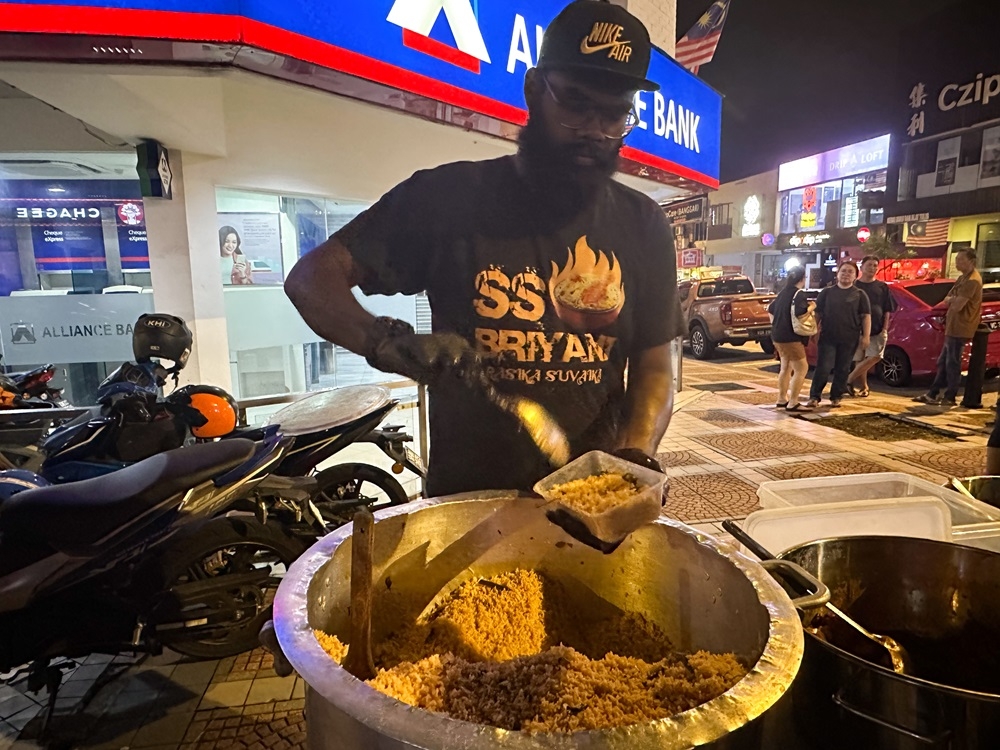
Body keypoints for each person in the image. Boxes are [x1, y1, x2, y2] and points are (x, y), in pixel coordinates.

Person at [284, 0, 684, 497]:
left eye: (615, 114)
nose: (594, 132)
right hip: (466, 501)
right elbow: (310, 278)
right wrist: (384, 341)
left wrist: (634, 459)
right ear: (534, 90)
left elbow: (654, 366)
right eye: (576, 104)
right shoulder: (446, 198)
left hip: (589, 497)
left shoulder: (644, 224)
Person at [914, 249, 983, 406]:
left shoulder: (972, 280)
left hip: (961, 327)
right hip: (952, 326)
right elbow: (948, 299)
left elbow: (958, 305)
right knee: (943, 361)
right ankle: (934, 393)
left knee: (952, 362)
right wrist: (951, 299)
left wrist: (952, 299)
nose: (957, 262)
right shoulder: (962, 278)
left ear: (971, 261)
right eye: (956, 259)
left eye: (960, 259)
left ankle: (950, 396)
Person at [806, 261, 871, 409]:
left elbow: (866, 316)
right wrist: (814, 330)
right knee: (823, 367)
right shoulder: (827, 292)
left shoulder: (860, 295)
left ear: (855, 276)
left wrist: (866, 336)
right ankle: (814, 396)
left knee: (843, 368)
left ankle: (836, 396)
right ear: (837, 274)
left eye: (850, 272)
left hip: (849, 338)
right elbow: (818, 313)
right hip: (828, 336)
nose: (846, 274)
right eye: (843, 271)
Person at [847, 255, 897, 397]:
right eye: (869, 265)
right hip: (857, 329)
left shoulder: (882, 287)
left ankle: (849, 379)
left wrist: (885, 328)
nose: (872, 268)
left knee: (876, 356)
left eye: (875, 265)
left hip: (877, 328)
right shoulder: (854, 286)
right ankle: (864, 387)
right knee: (860, 359)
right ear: (861, 267)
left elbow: (887, 309)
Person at [767, 267, 814, 412]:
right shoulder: (798, 294)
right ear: (802, 278)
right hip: (791, 337)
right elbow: (801, 313)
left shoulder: (782, 293)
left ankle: (782, 398)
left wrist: (776, 325)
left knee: (786, 367)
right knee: (801, 368)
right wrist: (812, 306)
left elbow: (770, 309)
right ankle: (793, 402)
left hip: (777, 336)